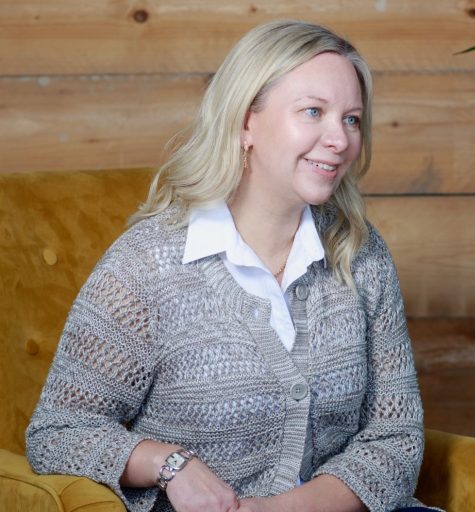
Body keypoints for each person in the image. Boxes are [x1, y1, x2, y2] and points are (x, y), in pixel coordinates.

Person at [26, 19, 435, 512]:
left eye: (351, 118)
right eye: (313, 112)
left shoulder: (361, 254)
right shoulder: (148, 266)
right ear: (246, 122)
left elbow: (395, 438)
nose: (341, 139)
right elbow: (57, 433)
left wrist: (277, 510)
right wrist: (169, 463)